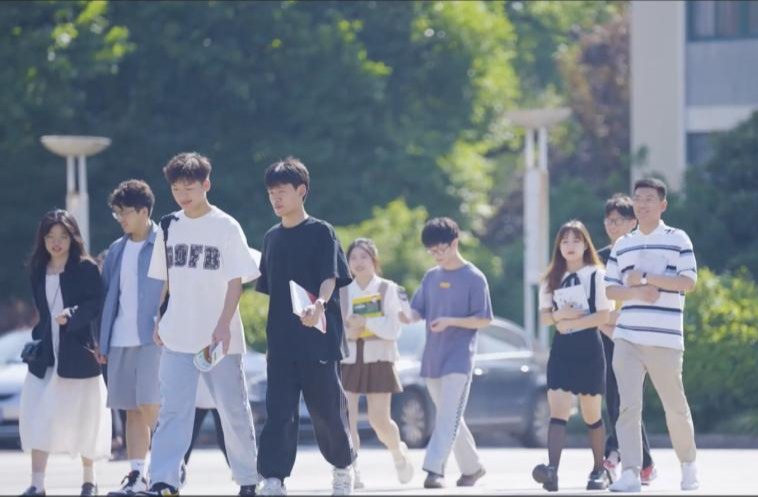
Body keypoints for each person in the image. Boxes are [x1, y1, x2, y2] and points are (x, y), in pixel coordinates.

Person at [139, 152, 261, 497]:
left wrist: (223, 325)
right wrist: (159, 319)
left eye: (189, 188)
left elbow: (236, 281)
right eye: (176, 189)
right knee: (173, 411)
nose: (183, 195)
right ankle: (164, 480)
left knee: (233, 410)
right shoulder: (168, 225)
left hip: (218, 340)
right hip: (177, 335)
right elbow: (166, 279)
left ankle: (248, 479)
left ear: (206, 184)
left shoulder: (226, 226)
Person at [255, 157, 355, 496]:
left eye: (281, 191)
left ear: (301, 191)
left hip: (319, 341)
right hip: (281, 344)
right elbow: (272, 290)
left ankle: (342, 468)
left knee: (327, 413)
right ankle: (273, 478)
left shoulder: (321, 232)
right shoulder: (271, 238)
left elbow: (331, 277)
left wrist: (319, 305)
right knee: (279, 414)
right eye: (271, 193)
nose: (275, 198)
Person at [606, 178, 699, 493]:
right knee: (628, 408)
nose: (642, 204)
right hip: (627, 336)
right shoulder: (623, 243)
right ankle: (631, 472)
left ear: (662, 205)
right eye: (637, 198)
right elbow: (610, 288)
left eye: (649, 198)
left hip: (664, 338)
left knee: (674, 405)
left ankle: (688, 464)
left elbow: (688, 282)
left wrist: (647, 278)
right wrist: (635, 291)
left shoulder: (678, 238)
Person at [19, 209, 111, 496]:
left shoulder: (86, 268)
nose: (56, 243)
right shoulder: (38, 269)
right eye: (50, 237)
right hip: (46, 354)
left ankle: (89, 481)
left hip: (78, 352)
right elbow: (42, 310)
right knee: (38, 414)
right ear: (43, 239)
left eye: (63, 236)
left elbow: (95, 303)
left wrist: (72, 315)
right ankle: (37, 484)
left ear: (73, 238)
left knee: (86, 417)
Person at [402, 217, 492, 489]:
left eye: (441, 249)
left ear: (455, 243)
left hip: (459, 359)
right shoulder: (431, 277)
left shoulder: (474, 277)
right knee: (449, 416)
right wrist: (403, 314)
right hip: (432, 358)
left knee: (447, 415)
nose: (437, 255)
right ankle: (473, 468)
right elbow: (417, 311)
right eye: (432, 251)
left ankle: (434, 470)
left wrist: (451, 321)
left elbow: (483, 319)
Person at [531, 220, 612, 492]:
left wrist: (573, 323)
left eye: (576, 240)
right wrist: (560, 316)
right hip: (562, 350)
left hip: (589, 348)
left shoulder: (597, 275)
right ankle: (552, 471)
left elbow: (604, 315)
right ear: (558, 246)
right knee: (558, 411)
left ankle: (599, 470)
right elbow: (544, 318)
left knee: (591, 414)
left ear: (586, 244)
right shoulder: (551, 277)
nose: (570, 246)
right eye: (564, 241)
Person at [98, 180, 164, 495]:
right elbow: (108, 297)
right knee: (131, 410)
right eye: (117, 213)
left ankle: (167, 467)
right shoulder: (116, 249)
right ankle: (137, 475)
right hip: (119, 340)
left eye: (125, 212)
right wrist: (102, 341)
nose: (121, 219)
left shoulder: (164, 243)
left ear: (144, 211)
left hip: (154, 337)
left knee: (151, 404)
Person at [339, 238, 414, 488]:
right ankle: (352, 470)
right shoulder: (343, 290)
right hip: (349, 360)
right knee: (347, 417)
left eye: (364, 257)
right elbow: (339, 328)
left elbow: (394, 329)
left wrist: (366, 323)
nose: (358, 262)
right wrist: (351, 330)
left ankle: (398, 453)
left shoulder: (388, 288)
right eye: (353, 257)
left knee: (379, 420)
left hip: (380, 359)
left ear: (374, 260)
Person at [597, 194, 656, 485]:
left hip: (636, 335)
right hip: (606, 335)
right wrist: (606, 325)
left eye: (619, 220)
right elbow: (593, 303)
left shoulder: (644, 255)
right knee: (613, 399)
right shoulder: (597, 258)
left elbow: (648, 298)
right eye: (609, 220)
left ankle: (618, 456)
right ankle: (637, 461)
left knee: (629, 400)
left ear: (633, 222)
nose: (613, 225)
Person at [184, 375, 229, 467]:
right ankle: (179, 469)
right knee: (188, 438)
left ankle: (239, 470)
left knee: (225, 439)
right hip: (198, 398)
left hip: (218, 398)